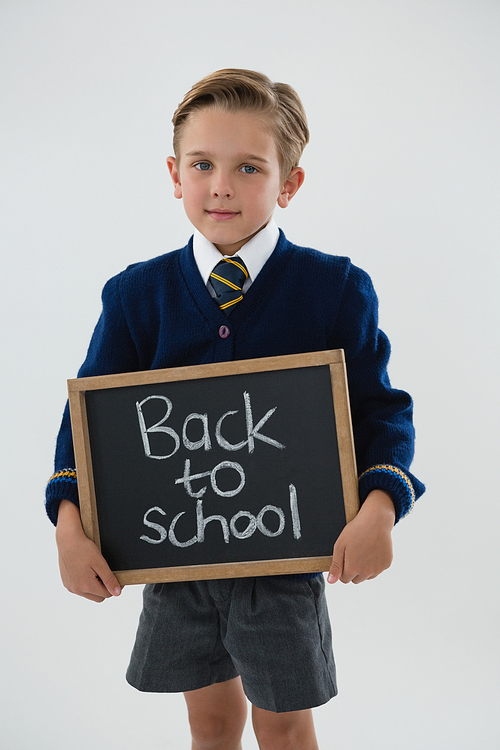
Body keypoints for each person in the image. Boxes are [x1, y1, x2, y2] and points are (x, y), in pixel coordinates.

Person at [46, 69, 424, 750]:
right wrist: (69, 527)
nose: (221, 184)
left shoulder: (333, 290)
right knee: (210, 723)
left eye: (248, 167)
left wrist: (380, 509)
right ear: (175, 173)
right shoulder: (137, 297)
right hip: (178, 559)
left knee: (283, 725)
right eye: (203, 164)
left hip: (284, 568)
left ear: (288, 182)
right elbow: (89, 418)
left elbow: (381, 410)